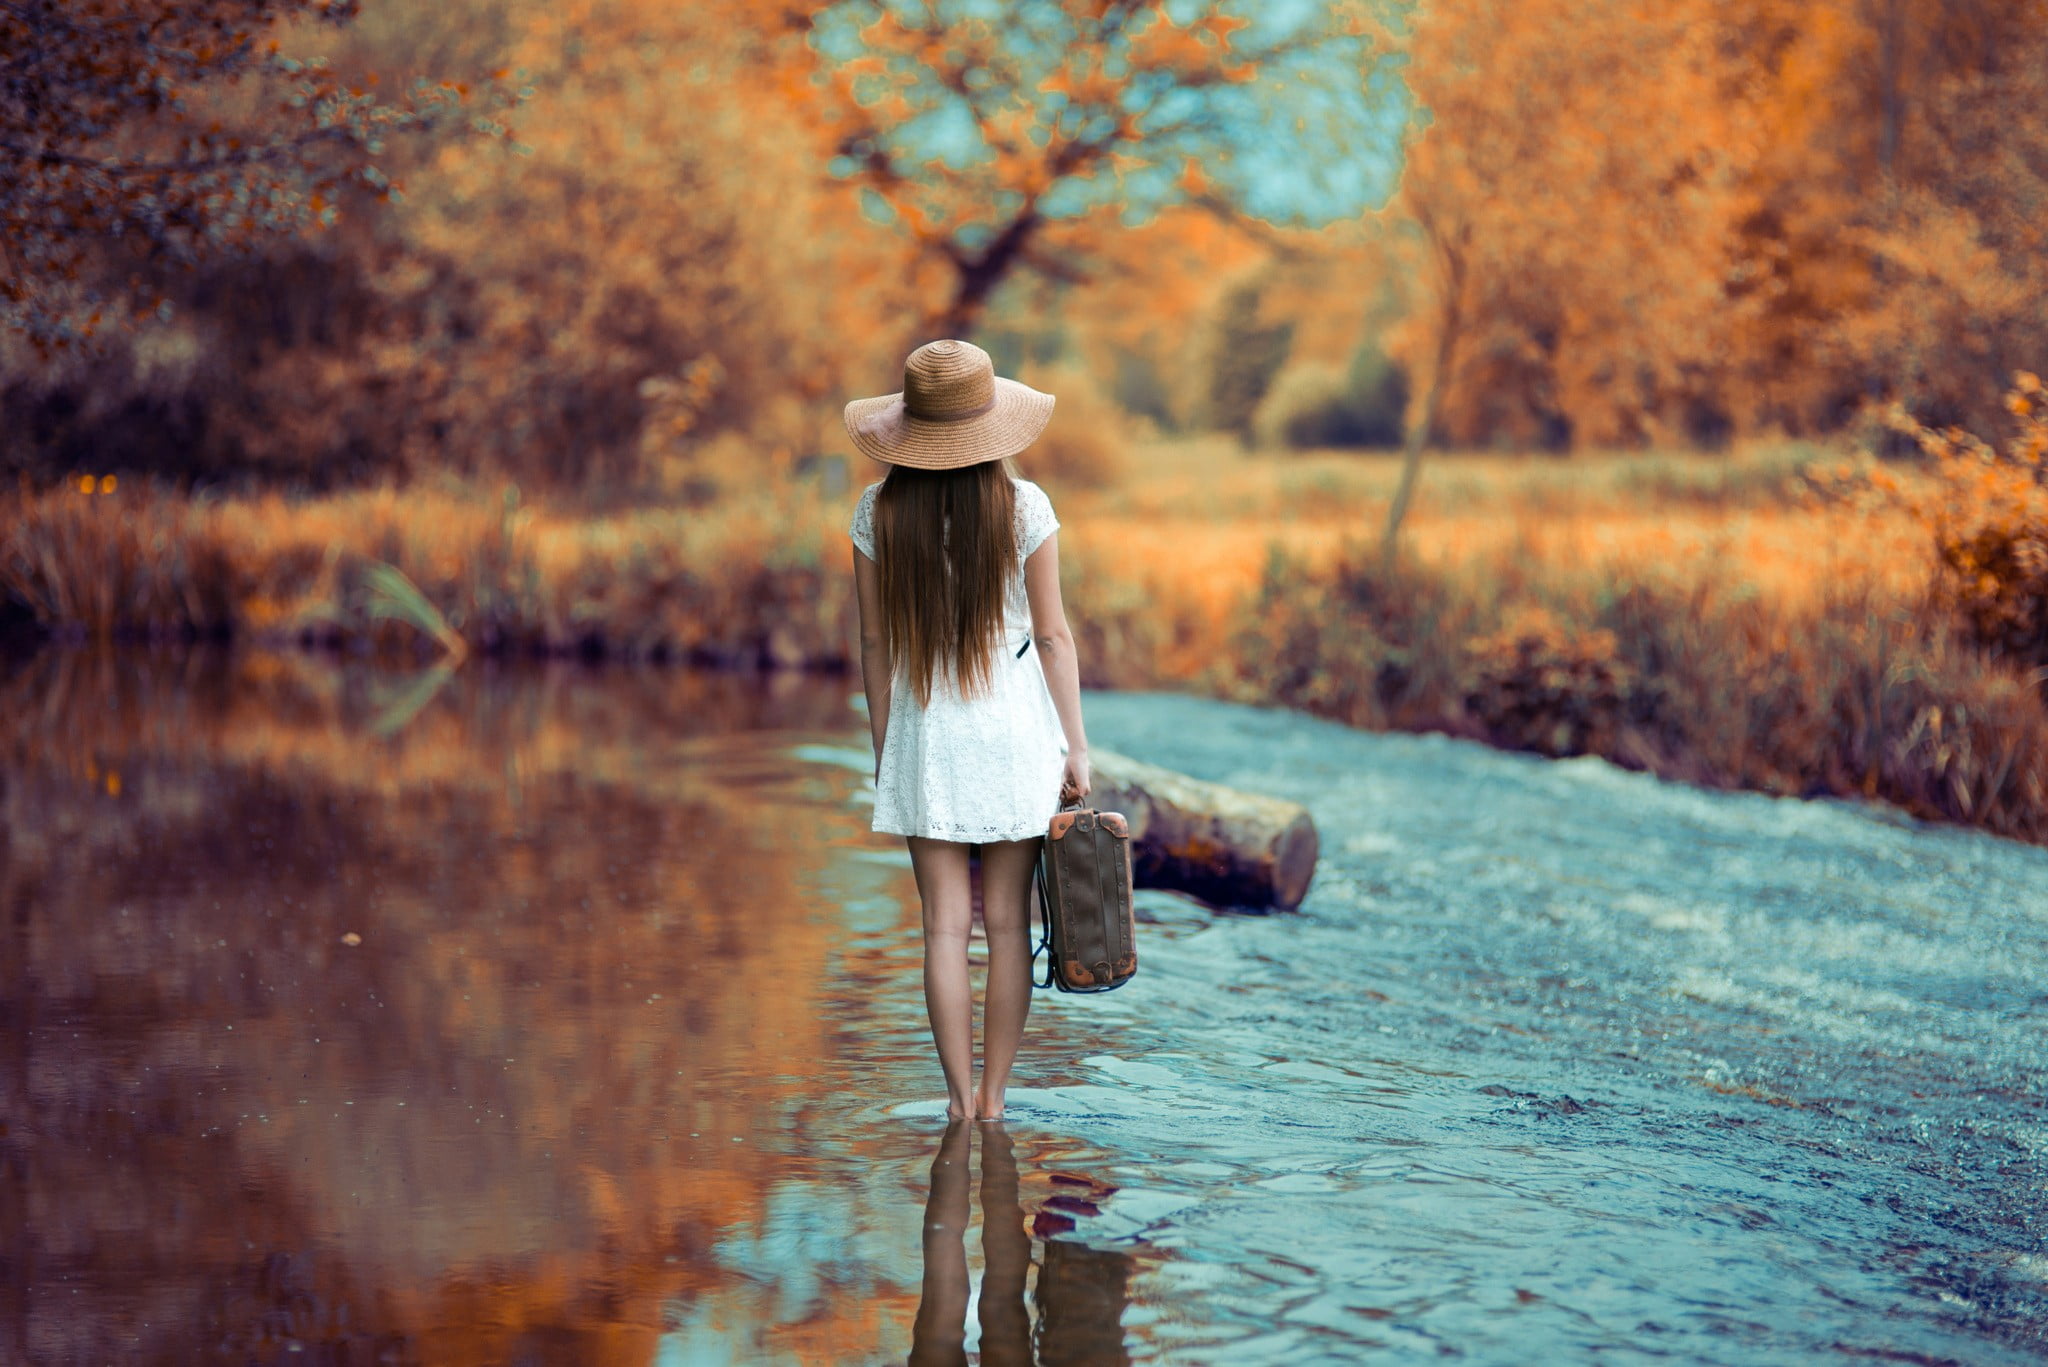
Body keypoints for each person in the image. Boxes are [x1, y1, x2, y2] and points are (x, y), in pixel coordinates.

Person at [846, 338, 1091, 1123]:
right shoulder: (1025, 508)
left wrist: (886, 748)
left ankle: (955, 1101)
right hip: (1016, 733)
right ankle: (995, 1099)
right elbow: (1052, 638)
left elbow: (877, 645)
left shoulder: (877, 512)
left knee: (944, 929)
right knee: (1010, 925)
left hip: (927, 739)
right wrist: (1076, 744)